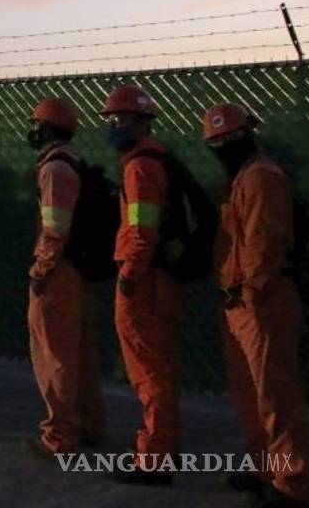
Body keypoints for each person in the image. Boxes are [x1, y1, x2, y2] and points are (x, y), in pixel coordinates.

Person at [205, 103, 309, 505]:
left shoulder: (261, 178)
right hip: (244, 300)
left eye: (228, 139)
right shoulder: (243, 178)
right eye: (218, 141)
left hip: (262, 301)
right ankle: (267, 467)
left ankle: (294, 484)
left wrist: (248, 293)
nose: (224, 146)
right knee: (251, 395)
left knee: (275, 397)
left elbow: (263, 247)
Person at [101, 84, 182, 486]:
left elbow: (142, 230)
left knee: (148, 372)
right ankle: (162, 447)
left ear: (141, 122)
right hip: (156, 279)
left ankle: (154, 458)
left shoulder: (140, 166)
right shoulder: (158, 159)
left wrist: (130, 277)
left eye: (119, 120)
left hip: (143, 281)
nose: (113, 127)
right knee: (158, 369)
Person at [21, 98, 105, 456]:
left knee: (54, 355)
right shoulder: (74, 162)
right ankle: (88, 424)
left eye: (35, 122)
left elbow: (55, 229)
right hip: (77, 271)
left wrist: (40, 271)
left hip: (58, 273)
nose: (32, 129)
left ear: (47, 127)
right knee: (79, 353)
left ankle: (60, 436)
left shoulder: (54, 170)